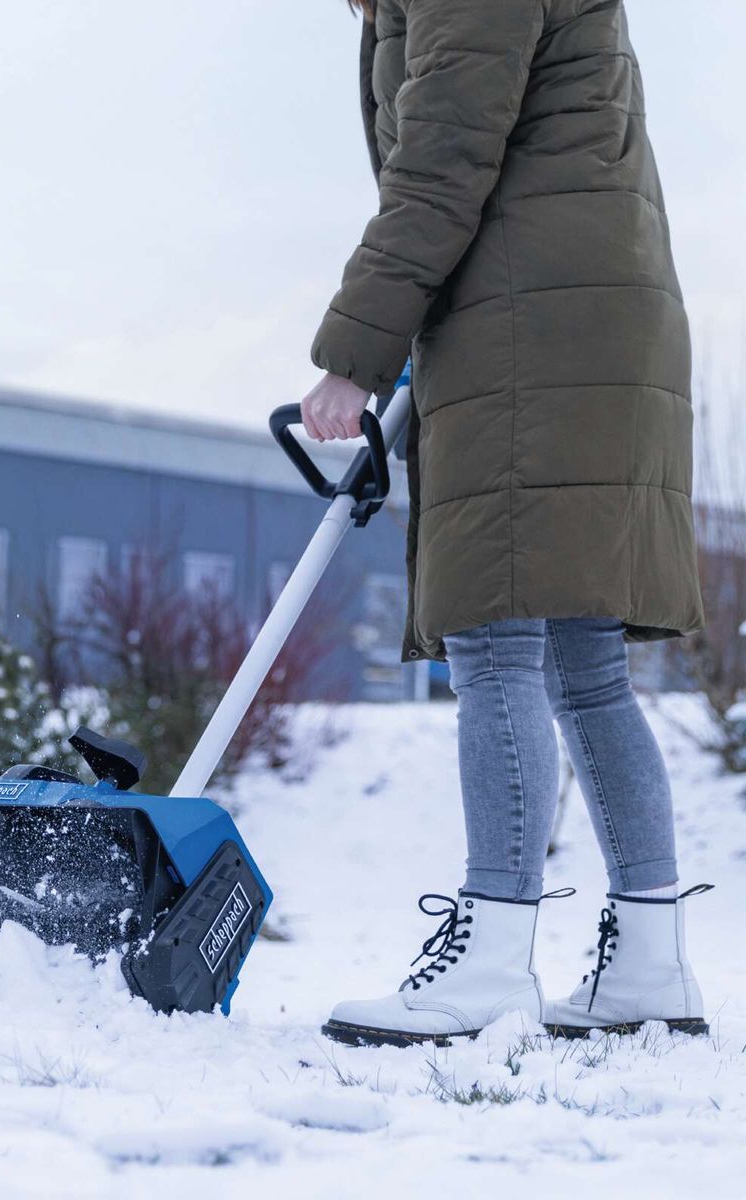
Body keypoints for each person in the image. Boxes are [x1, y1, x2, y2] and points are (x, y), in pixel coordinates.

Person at [302, 0, 709, 1047]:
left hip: (532, 325)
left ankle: (488, 959)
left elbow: (440, 160)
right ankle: (650, 967)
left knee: (494, 644)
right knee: (583, 665)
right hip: (580, 312)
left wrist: (356, 350)